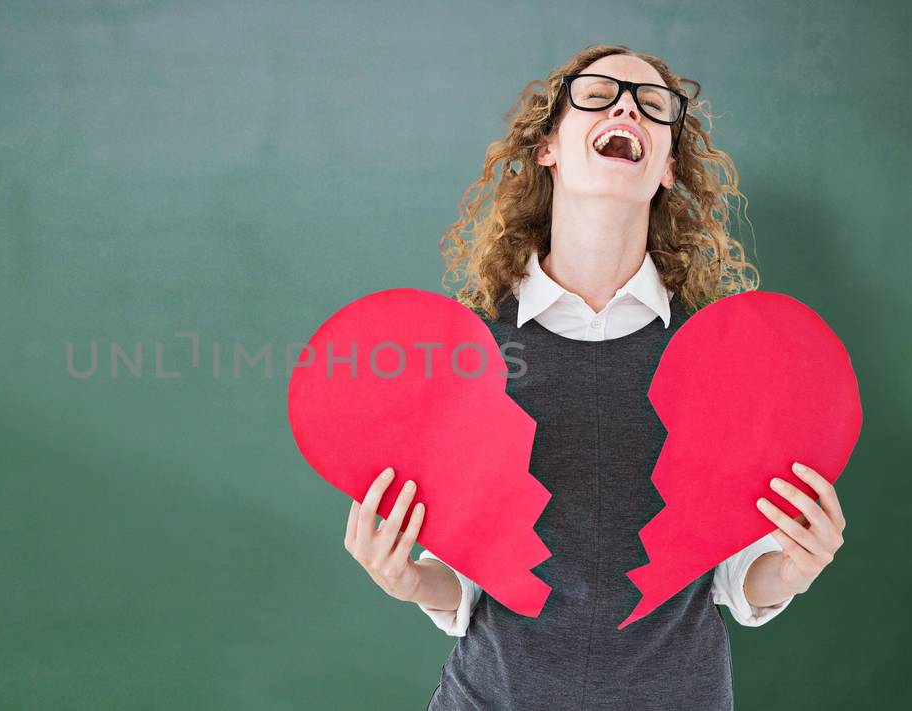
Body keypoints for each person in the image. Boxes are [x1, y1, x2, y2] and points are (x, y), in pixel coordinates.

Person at [341, 45, 849, 710]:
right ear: (548, 144)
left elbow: (729, 577)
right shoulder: (473, 352)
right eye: (599, 93)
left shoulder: (719, 356)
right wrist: (409, 579)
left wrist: (790, 569)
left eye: (652, 104)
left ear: (668, 167)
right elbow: (467, 585)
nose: (626, 106)